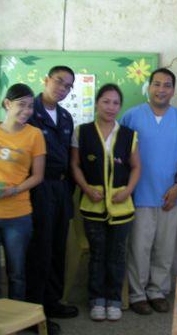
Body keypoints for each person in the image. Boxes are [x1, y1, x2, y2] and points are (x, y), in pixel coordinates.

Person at [120, 68, 177, 315]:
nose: (161, 89)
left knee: (164, 248)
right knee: (139, 248)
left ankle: (157, 290)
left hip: (169, 196)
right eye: (157, 84)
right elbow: (120, 156)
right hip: (139, 195)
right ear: (149, 87)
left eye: (167, 85)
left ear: (173, 90)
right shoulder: (131, 117)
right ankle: (137, 293)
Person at [70, 84, 141, 321]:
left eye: (115, 103)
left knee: (117, 254)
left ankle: (114, 299)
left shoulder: (129, 134)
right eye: (106, 101)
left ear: (120, 106)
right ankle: (96, 299)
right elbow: (75, 165)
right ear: (97, 103)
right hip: (93, 205)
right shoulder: (82, 131)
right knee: (98, 253)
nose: (111, 107)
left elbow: (136, 167)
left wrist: (128, 191)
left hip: (121, 206)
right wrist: (86, 188)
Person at [0, 84, 46, 301]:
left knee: (17, 274)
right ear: (8, 104)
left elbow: (38, 176)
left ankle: (15, 323)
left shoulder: (35, 135)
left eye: (30, 106)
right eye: (21, 105)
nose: (27, 111)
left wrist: (14, 190)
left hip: (18, 216)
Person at [26, 66, 78, 333]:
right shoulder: (29, 111)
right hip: (38, 189)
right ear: (46, 80)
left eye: (68, 86)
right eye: (59, 81)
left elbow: (69, 159)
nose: (63, 88)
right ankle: (35, 313)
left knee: (58, 249)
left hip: (61, 190)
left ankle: (52, 301)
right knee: (40, 251)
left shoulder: (66, 117)